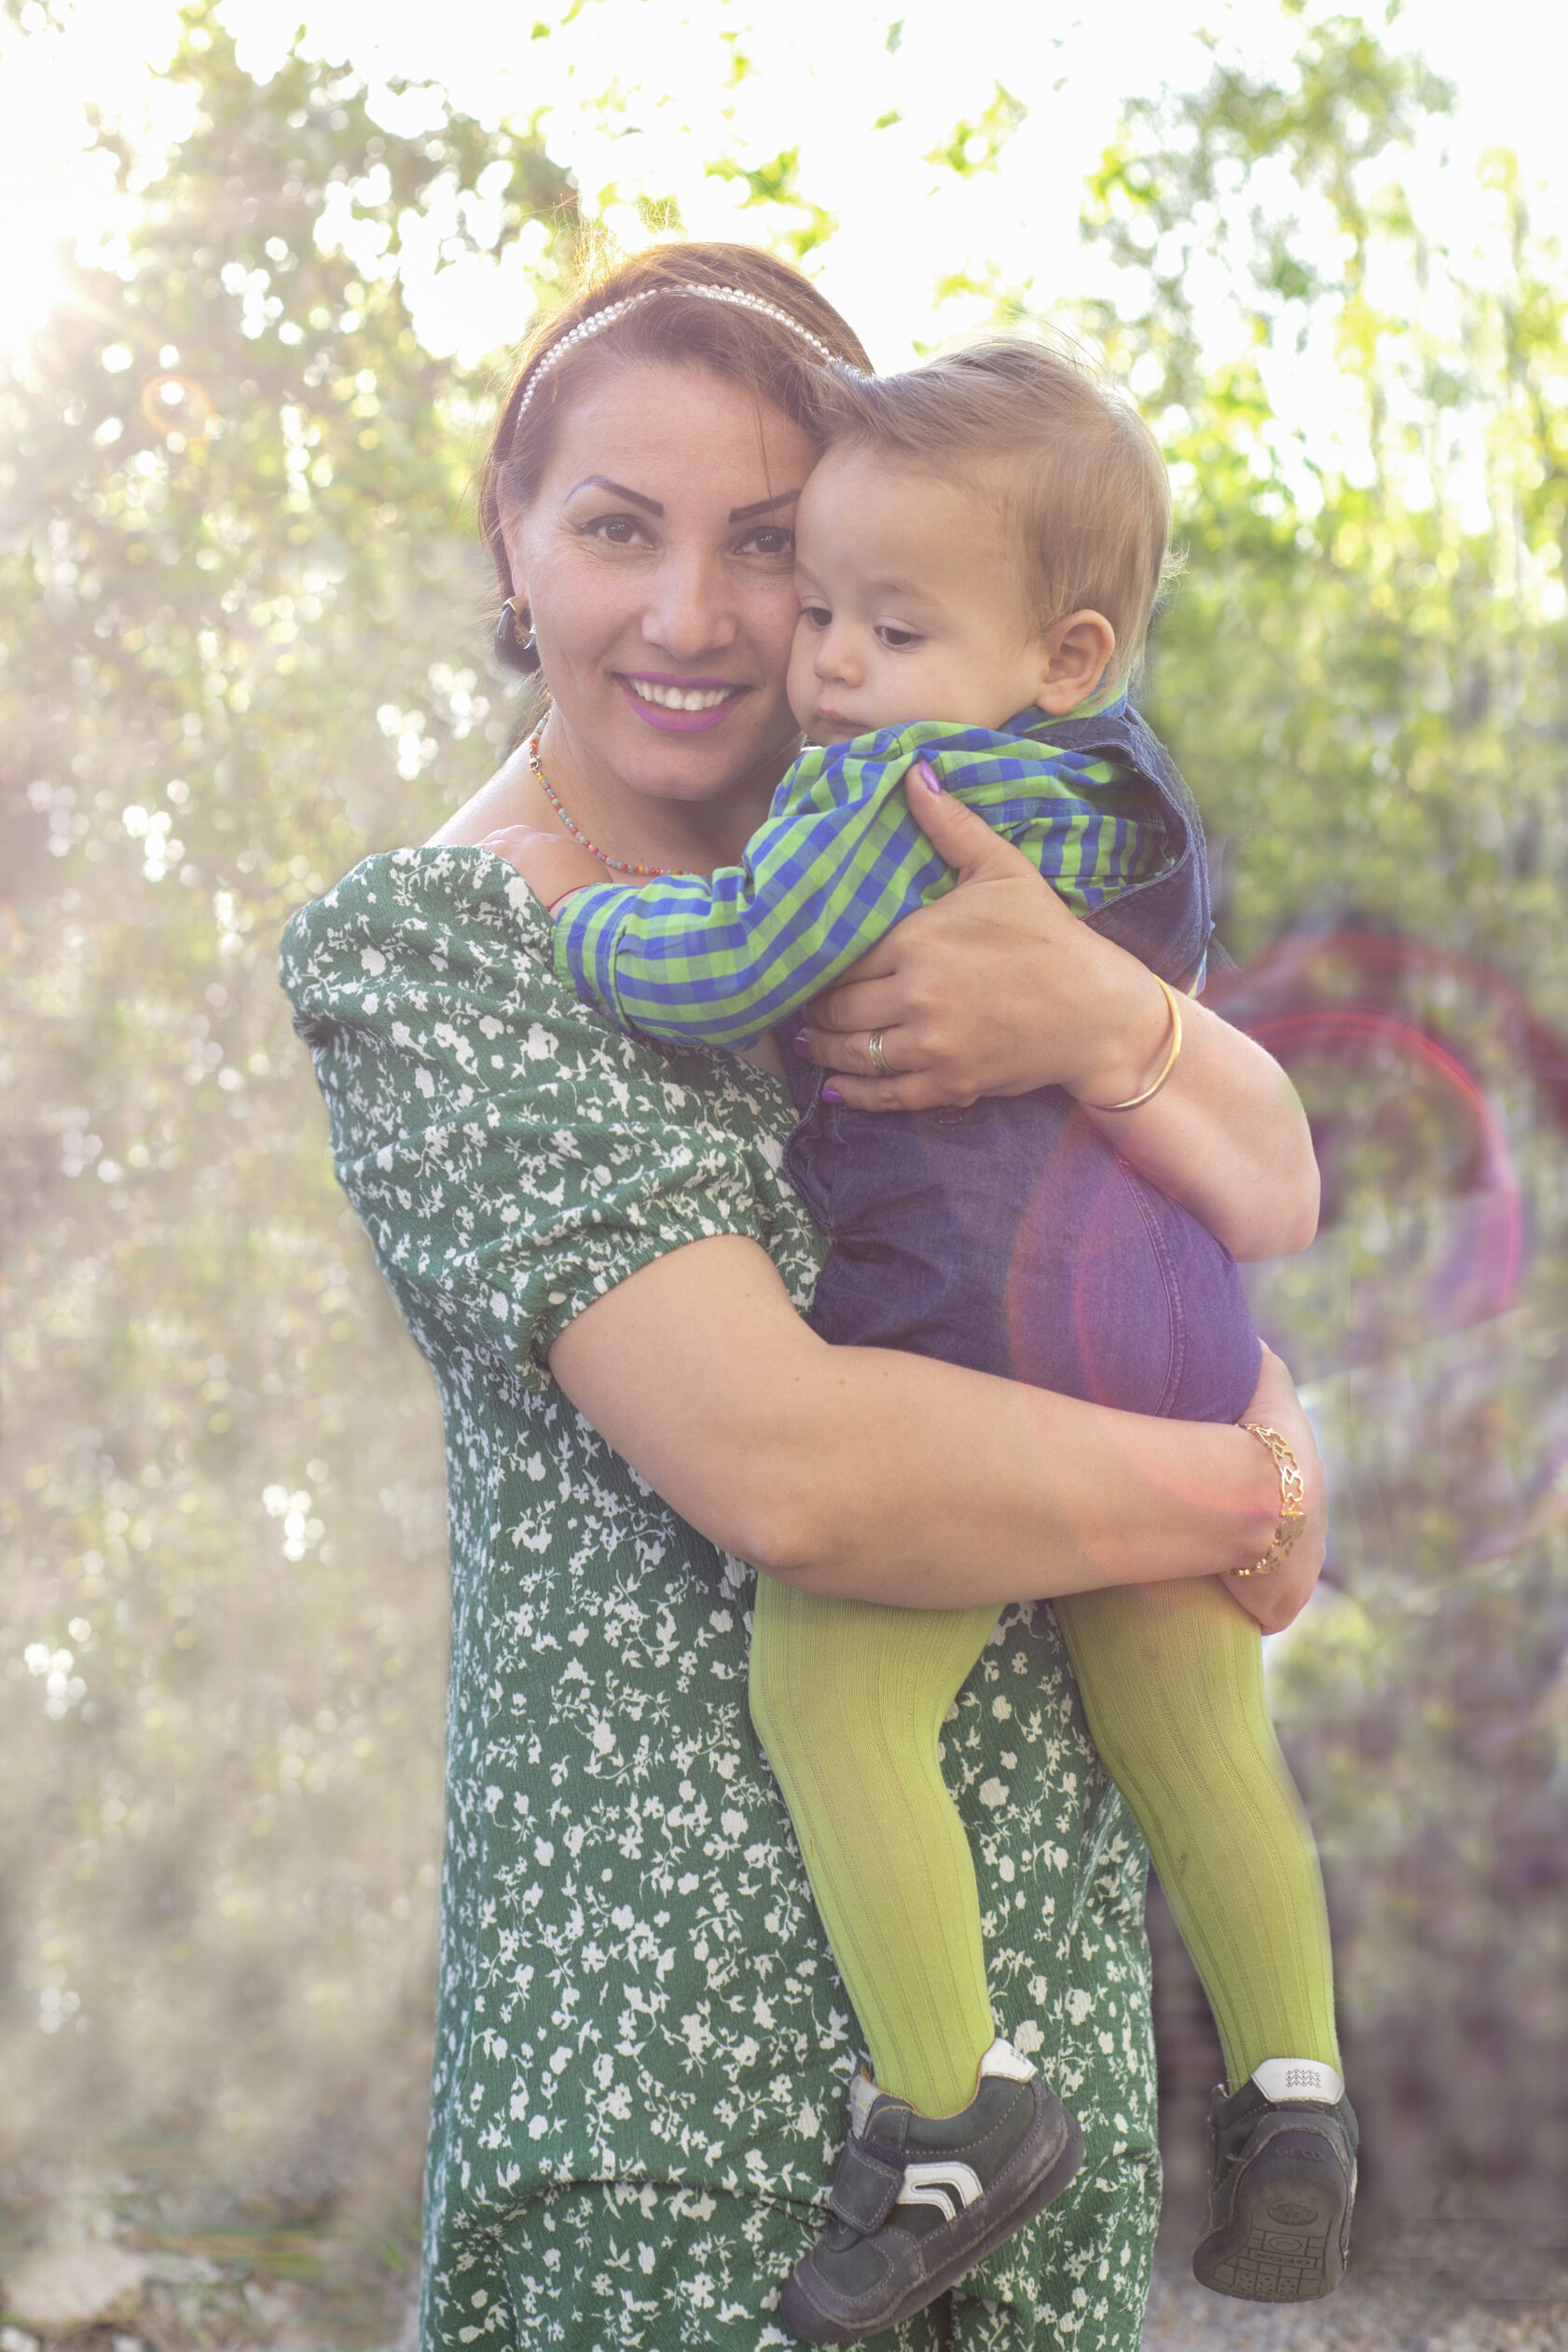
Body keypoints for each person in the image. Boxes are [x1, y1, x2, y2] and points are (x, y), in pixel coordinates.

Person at [281, 242, 1327, 2352]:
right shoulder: (442, 946)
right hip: (686, 2120)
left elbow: (1269, 1184)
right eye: (613, 528)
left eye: (768, 546)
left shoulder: (930, 872)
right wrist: (1234, 1479)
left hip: (1033, 2097)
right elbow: (797, 1469)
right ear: (512, 535)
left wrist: (1112, 1022)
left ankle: (1276, 2090)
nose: (692, 616)